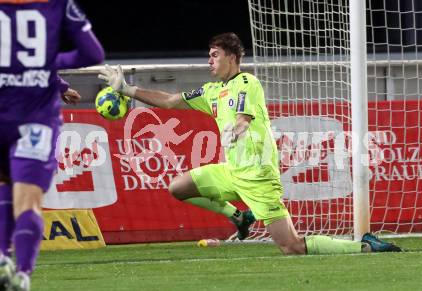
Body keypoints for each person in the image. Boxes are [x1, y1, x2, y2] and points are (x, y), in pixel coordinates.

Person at [98, 32, 401, 256]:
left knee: (291, 247)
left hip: (257, 177)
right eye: (209, 54)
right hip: (232, 171)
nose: (209, 60)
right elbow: (170, 100)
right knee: (178, 187)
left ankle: (363, 246)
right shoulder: (212, 91)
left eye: (214, 54)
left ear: (231, 57)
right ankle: (239, 217)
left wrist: (237, 129)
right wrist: (127, 89)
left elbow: (243, 118)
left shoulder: (247, 83)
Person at [0, 0, 104, 290]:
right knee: (28, 202)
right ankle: (22, 274)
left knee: (4, 188)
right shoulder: (58, 4)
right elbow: (93, 52)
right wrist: (50, 66)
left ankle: (1, 256)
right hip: (36, 119)